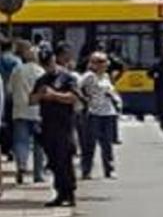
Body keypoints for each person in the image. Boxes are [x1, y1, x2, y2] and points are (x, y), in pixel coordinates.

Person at [30, 45, 79, 207]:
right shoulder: (42, 79)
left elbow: (73, 97)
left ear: (54, 60)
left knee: (65, 159)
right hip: (48, 124)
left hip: (64, 124)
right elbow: (31, 100)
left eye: (49, 62)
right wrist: (40, 95)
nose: (48, 66)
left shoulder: (66, 77)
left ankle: (70, 194)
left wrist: (54, 95)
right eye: (44, 64)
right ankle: (59, 193)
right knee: (53, 161)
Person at [79, 52, 120, 180]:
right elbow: (76, 87)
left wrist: (115, 99)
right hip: (94, 113)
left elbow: (112, 91)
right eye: (100, 61)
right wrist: (85, 99)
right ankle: (86, 170)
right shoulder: (89, 76)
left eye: (105, 61)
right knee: (89, 143)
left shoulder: (106, 77)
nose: (104, 64)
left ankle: (109, 169)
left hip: (108, 112)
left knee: (107, 143)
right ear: (93, 63)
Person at [10, 43, 45, 184]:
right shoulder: (41, 72)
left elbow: (10, 89)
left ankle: (22, 164)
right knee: (39, 144)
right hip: (38, 112)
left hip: (20, 110)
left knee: (20, 141)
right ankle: (38, 174)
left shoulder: (17, 70)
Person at [0, 37, 21, 159]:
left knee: (3, 123)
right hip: (13, 94)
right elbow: (20, 75)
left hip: (2, 93)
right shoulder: (16, 60)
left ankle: (4, 147)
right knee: (13, 124)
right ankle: (11, 149)